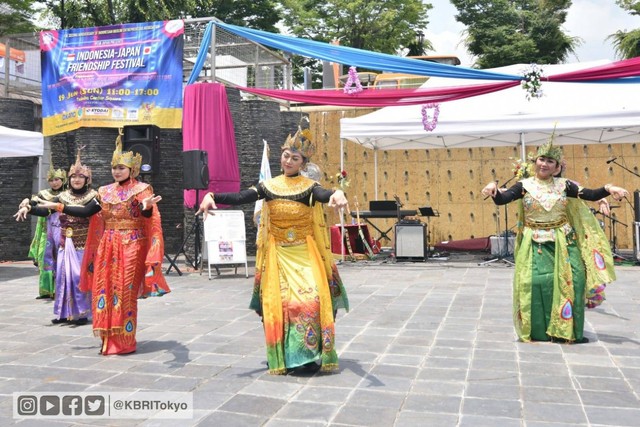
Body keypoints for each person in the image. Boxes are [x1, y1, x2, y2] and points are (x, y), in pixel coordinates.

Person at [197, 127, 350, 374]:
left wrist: (338, 193)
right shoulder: (268, 186)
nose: (288, 161)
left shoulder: (309, 187)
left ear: (303, 163)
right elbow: (240, 197)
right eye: (286, 155)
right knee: (281, 305)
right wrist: (211, 195)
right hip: (278, 255)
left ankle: (308, 354)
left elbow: (325, 194)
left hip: (304, 254)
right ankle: (284, 354)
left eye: (295, 158)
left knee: (309, 301)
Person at [481, 138, 628, 344]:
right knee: (535, 283)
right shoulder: (524, 186)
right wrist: (493, 190)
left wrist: (609, 189)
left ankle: (568, 331)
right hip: (535, 244)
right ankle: (539, 332)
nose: (544, 164)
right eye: (541, 159)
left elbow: (591, 194)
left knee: (574, 283)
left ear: (557, 167)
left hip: (564, 242)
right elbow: (503, 199)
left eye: (550, 161)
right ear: (535, 163)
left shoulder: (565, 185)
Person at [37, 134, 171, 354]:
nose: (116, 171)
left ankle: (125, 340)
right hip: (107, 245)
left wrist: (146, 207)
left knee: (125, 290)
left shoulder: (142, 190)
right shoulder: (105, 191)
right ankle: (108, 339)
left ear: (132, 169)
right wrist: (58, 206)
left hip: (132, 245)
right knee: (105, 290)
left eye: (121, 167)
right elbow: (88, 211)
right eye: (113, 167)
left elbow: (148, 218)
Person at [15, 149, 96, 325]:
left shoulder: (93, 196)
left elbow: (85, 212)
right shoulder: (63, 196)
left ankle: (81, 313)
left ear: (87, 179)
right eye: (73, 176)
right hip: (64, 243)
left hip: (83, 244)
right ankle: (63, 313)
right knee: (61, 278)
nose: (76, 179)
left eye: (80, 177)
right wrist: (28, 208)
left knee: (77, 277)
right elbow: (46, 210)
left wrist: (59, 207)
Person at [17, 163, 67, 299]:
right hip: (46, 232)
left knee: (61, 261)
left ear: (63, 180)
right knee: (44, 259)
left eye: (57, 179)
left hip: (63, 232)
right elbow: (33, 203)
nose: (54, 182)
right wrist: (26, 202)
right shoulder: (43, 194)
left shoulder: (68, 194)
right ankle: (45, 290)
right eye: (51, 180)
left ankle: (59, 290)